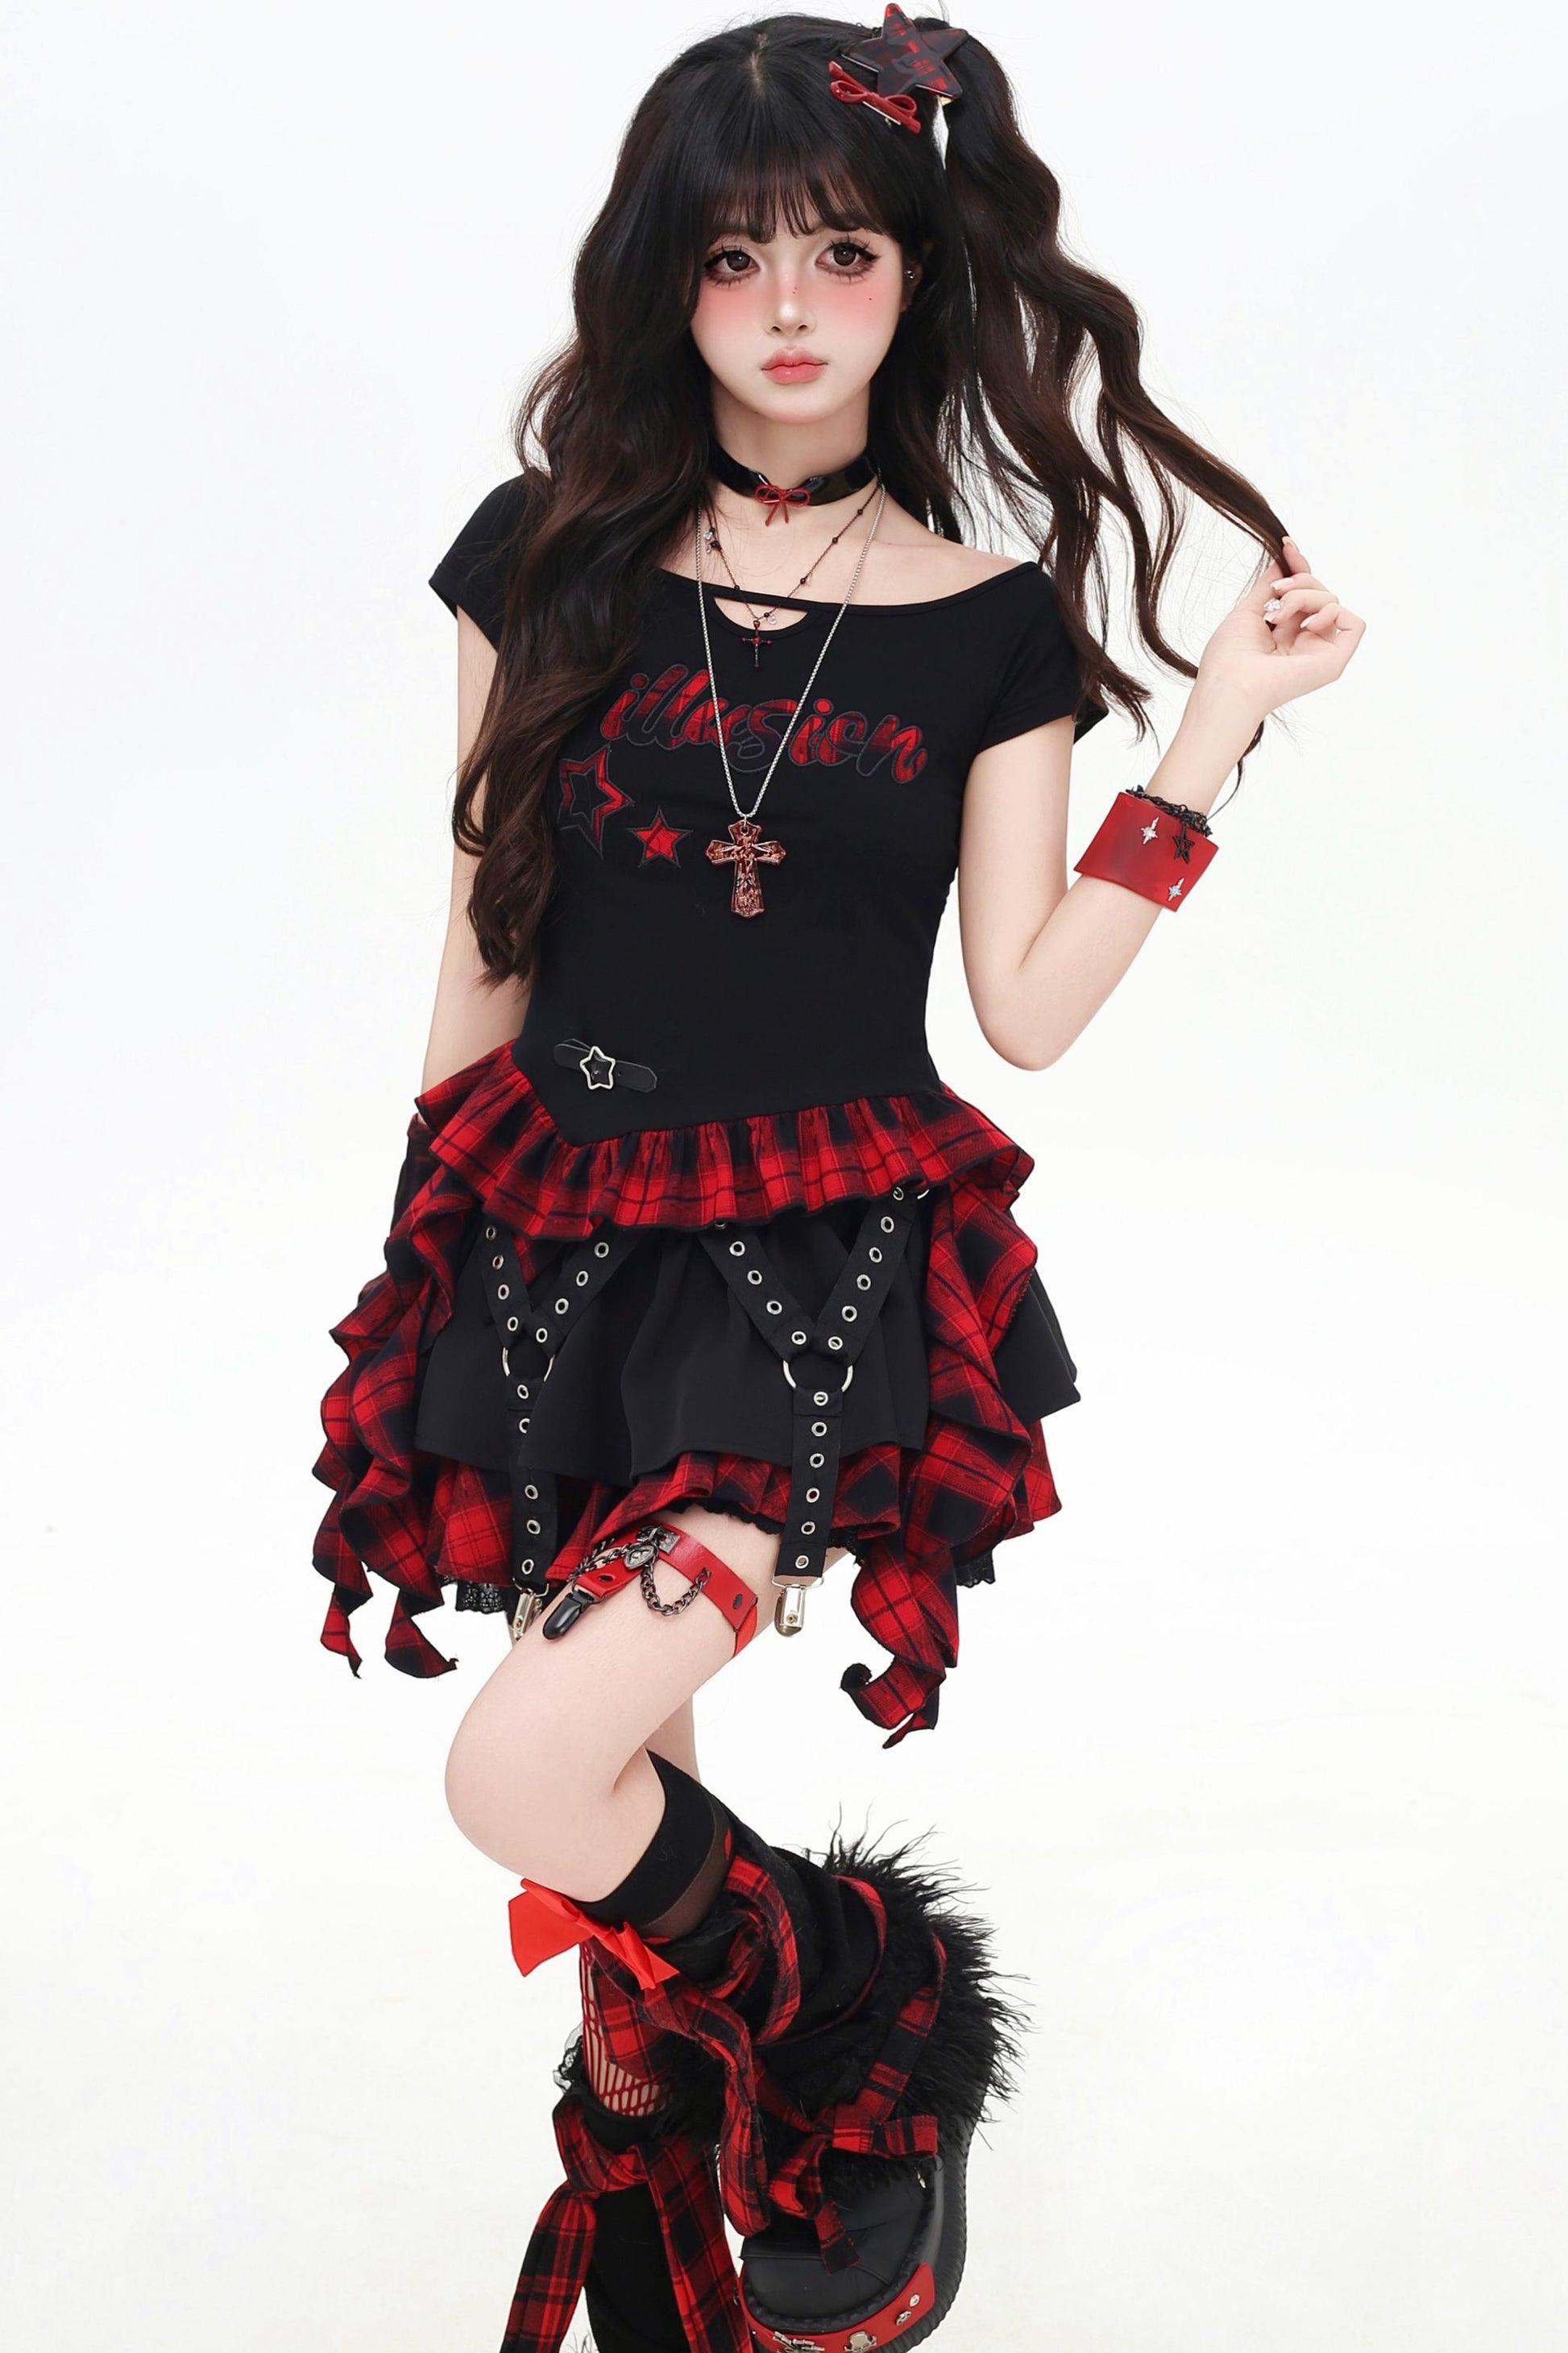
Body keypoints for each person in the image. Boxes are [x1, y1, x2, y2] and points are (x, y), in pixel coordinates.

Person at [310, 11, 1364, 2350]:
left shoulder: (991, 624)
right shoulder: (543, 559)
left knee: (525, 1770)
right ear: (663, 282)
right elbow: (484, 925)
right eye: (731, 258)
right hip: (545, 1234)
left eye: (843, 254)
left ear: (919, 276)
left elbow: (1028, 1004)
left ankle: (868, 2001)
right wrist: (422, 1250)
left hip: (806, 1272)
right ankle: (701, 2181)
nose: (788, 308)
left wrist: (1208, 731)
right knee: (617, 1835)